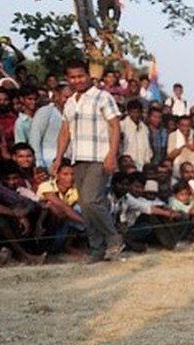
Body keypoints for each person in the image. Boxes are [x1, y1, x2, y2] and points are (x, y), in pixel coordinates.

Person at [52, 59, 125, 263]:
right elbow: (65, 131)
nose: (77, 80)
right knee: (85, 205)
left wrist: (112, 155)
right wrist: (58, 158)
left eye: (81, 76)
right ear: (67, 79)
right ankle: (96, 249)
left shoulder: (103, 97)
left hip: (99, 157)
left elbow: (114, 126)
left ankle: (114, 238)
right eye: (73, 77)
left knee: (92, 200)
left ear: (88, 75)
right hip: (77, 159)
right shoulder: (70, 102)